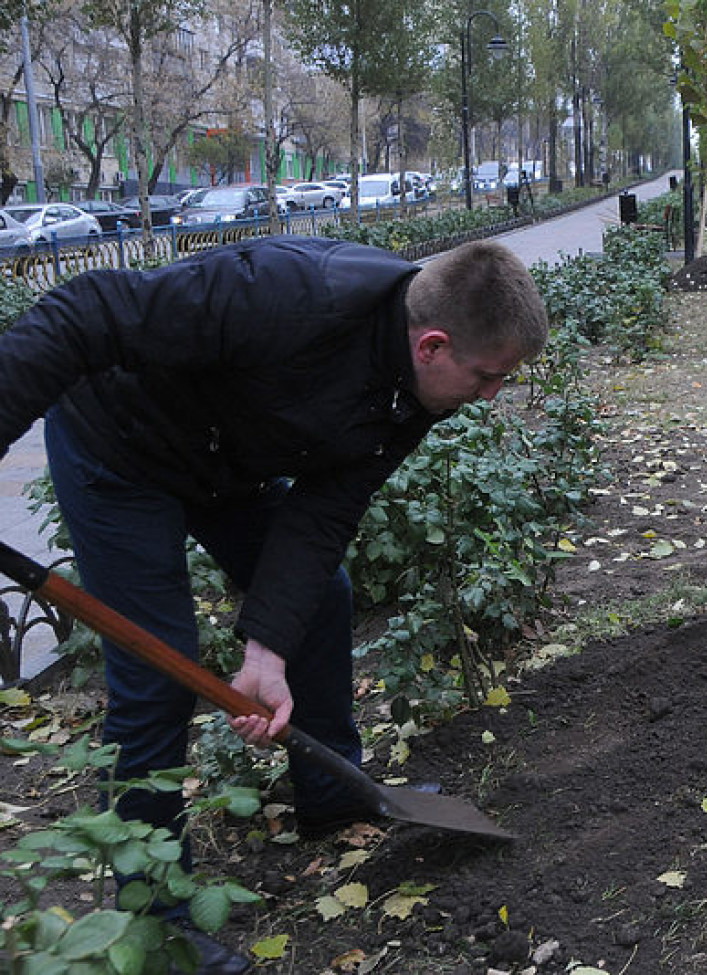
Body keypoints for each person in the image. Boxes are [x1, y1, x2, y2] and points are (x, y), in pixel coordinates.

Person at [0, 235, 548, 973]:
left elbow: (326, 509)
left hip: (228, 463)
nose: (490, 398)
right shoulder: (289, 295)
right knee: (156, 674)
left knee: (320, 596)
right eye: (488, 377)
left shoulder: (418, 393)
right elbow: (84, 310)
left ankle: (334, 795)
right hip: (120, 447)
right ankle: (157, 922)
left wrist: (267, 650)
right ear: (434, 344)